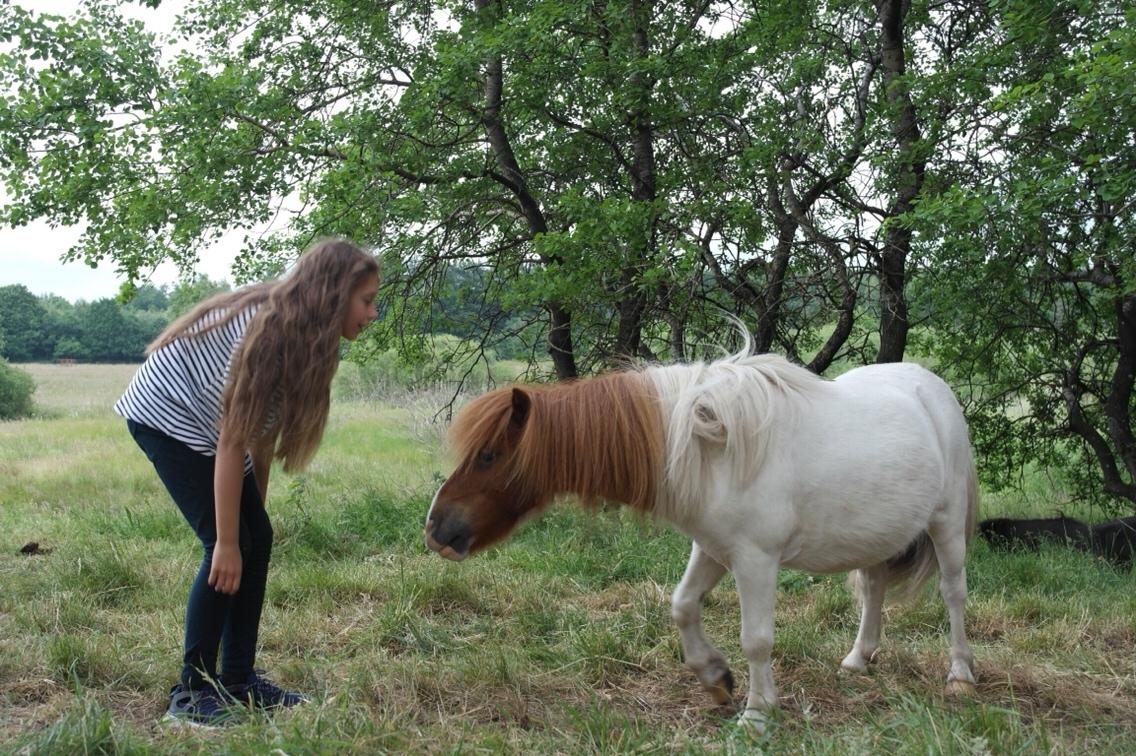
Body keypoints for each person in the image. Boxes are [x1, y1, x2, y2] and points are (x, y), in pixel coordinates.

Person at [115, 239, 380, 727]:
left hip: (213, 428)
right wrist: (227, 541)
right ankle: (191, 694)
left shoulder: (306, 337)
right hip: (168, 418)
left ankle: (238, 681)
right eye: (366, 301)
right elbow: (233, 439)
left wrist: (254, 510)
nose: (372, 313)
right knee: (226, 544)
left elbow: (262, 431)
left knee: (257, 537)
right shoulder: (270, 332)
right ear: (334, 294)